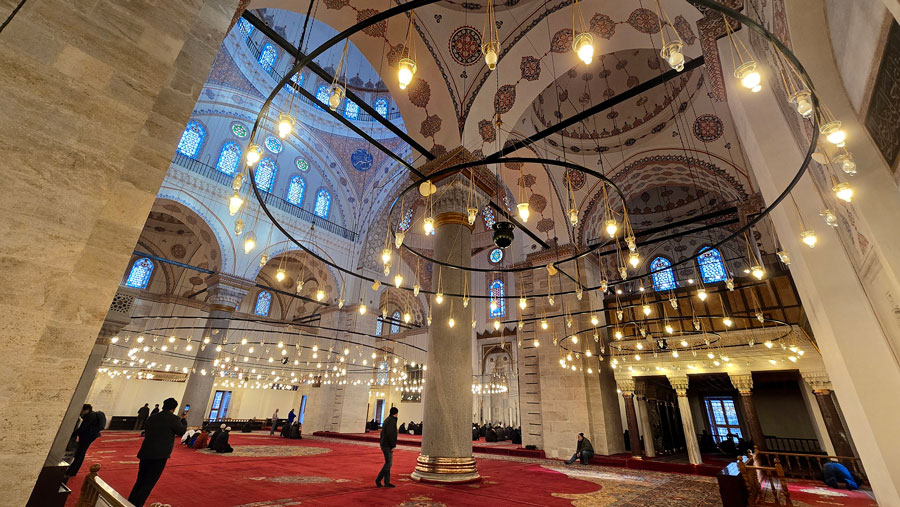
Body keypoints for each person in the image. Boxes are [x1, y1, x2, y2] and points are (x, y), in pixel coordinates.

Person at [127, 397, 187, 507]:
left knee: (140, 481)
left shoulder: (152, 418)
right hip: (159, 455)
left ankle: (129, 503)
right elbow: (181, 431)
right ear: (174, 408)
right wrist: (183, 419)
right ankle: (137, 504)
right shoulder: (173, 419)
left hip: (146, 452)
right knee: (148, 483)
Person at [65, 404, 103, 481]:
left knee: (80, 453)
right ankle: (73, 471)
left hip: (88, 437)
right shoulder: (92, 415)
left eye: (82, 410)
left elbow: (82, 428)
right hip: (90, 436)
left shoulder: (90, 416)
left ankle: (71, 471)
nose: (81, 412)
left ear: (86, 410)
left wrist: (72, 434)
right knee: (81, 453)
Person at [375, 406, 398, 488]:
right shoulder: (391, 421)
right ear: (396, 413)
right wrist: (392, 445)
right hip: (387, 445)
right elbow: (390, 434)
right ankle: (378, 479)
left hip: (384, 444)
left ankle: (387, 482)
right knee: (388, 464)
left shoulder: (387, 419)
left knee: (388, 463)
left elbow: (382, 434)